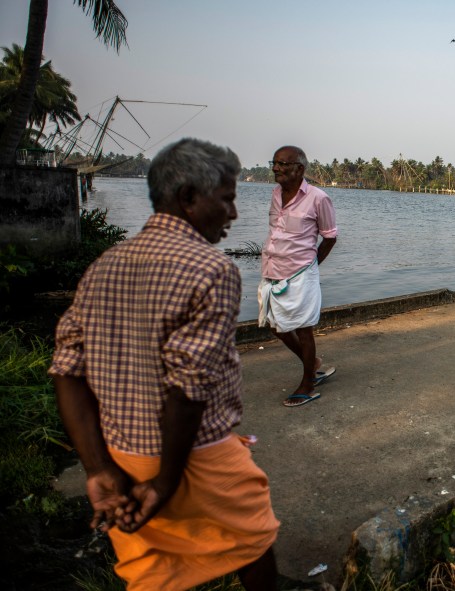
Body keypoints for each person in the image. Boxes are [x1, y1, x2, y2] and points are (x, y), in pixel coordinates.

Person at [50, 138, 280, 590]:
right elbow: (188, 389)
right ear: (190, 197)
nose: (233, 213)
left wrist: (98, 468)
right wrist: (165, 483)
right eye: (228, 199)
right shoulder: (211, 270)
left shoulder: (105, 265)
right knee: (252, 545)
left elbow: (67, 371)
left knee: (150, 571)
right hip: (196, 456)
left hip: (121, 454)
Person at [258, 145, 338, 407]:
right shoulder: (275, 194)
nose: (276, 168)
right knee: (275, 324)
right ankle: (312, 363)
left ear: (299, 169)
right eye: (275, 162)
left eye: (283, 164)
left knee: (304, 330)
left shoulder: (318, 198)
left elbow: (329, 236)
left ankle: (308, 383)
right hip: (272, 270)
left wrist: (312, 264)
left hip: (300, 273)